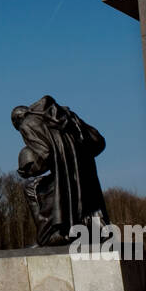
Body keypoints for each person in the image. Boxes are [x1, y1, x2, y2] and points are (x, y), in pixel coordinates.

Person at [11, 95, 109, 247]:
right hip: (87, 173)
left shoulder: (27, 124)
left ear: (18, 119)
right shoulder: (64, 114)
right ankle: (90, 229)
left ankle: (52, 234)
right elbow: (98, 142)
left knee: (30, 188)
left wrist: (29, 170)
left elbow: (46, 153)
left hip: (66, 178)